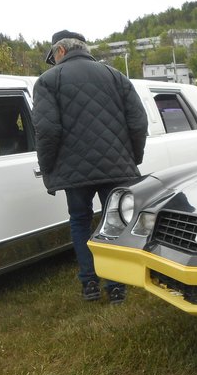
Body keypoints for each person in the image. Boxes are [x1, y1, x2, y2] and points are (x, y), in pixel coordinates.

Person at [33, 30, 148, 303]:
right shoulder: (115, 75)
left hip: (73, 171)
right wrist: (133, 157)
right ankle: (117, 286)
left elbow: (47, 129)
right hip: (116, 165)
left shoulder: (48, 81)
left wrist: (48, 167)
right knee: (115, 223)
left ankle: (90, 284)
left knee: (80, 222)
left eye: (52, 56)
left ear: (60, 51)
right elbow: (138, 122)